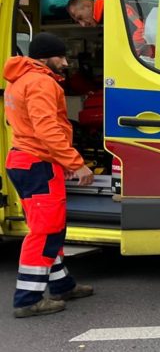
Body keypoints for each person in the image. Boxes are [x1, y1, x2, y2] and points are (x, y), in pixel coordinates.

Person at [2, 33, 95, 317]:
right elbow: (47, 130)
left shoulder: (18, 80)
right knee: (45, 232)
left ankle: (62, 285)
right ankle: (28, 299)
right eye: (61, 57)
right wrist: (75, 162)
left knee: (50, 227)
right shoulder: (41, 82)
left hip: (24, 161)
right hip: (38, 164)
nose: (66, 63)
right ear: (45, 58)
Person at [66, 0, 153, 57]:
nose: (83, 24)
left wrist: (131, 53)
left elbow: (142, 29)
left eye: (80, 18)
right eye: (78, 22)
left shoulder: (117, 8)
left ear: (87, 5)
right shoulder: (106, 16)